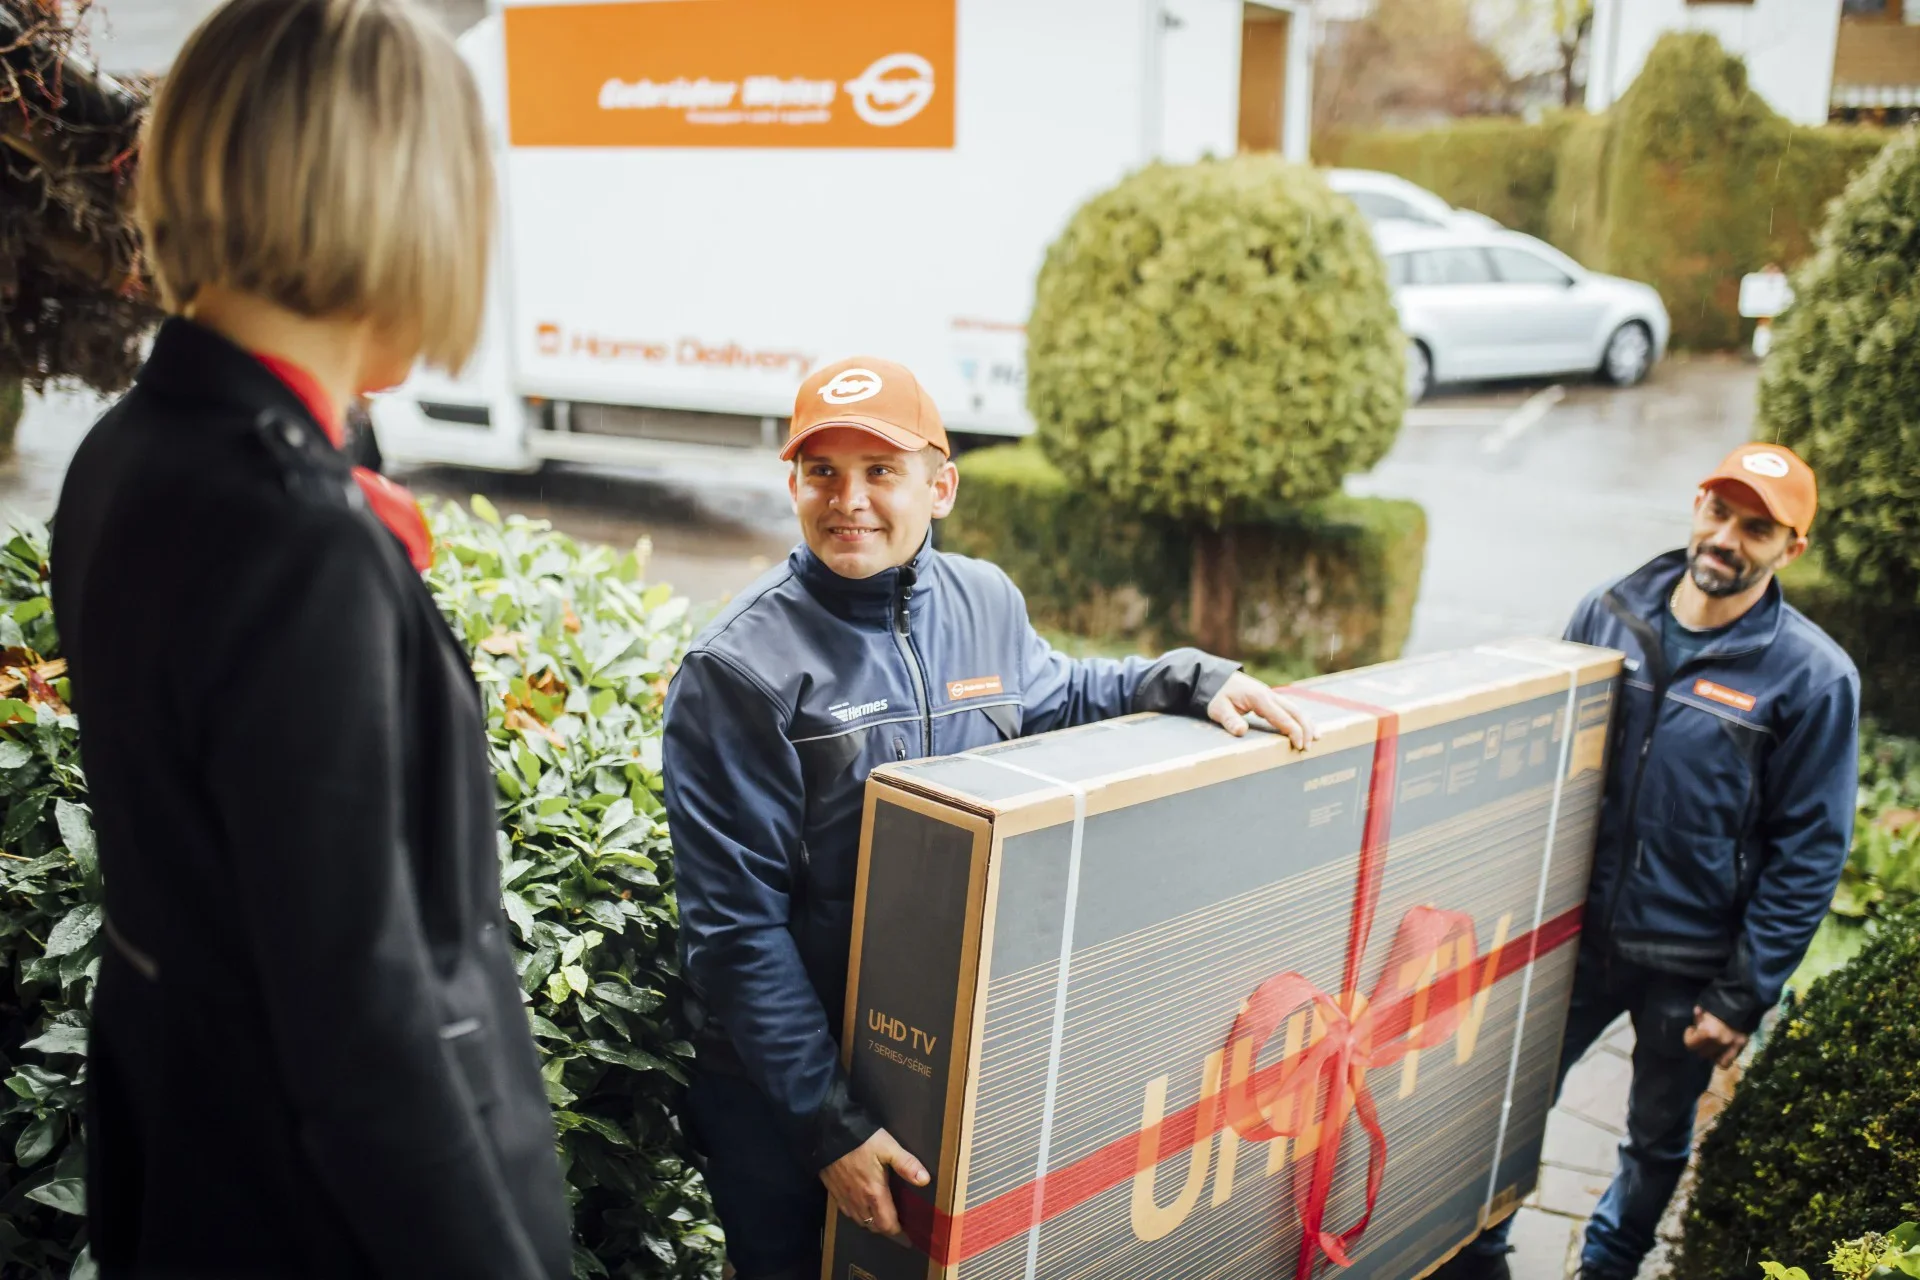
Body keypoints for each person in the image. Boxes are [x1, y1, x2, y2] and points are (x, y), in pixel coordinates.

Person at [49, 1, 569, 1275]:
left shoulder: (127, 452)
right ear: (399, 198)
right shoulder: (296, 534)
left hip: (194, 1172)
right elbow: (362, 1026)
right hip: (324, 1220)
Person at [661, 355, 1318, 1279]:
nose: (849, 500)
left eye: (881, 471)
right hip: (783, 1097)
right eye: (823, 473)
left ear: (942, 485)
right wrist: (829, 1131)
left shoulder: (983, 601)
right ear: (795, 483)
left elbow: (1058, 694)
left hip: (931, 1053)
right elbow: (734, 936)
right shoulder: (740, 671)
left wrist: (1191, 678)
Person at [1440, 443, 1859, 1280]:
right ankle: (1478, 1253)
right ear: (1698, 502)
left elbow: (1809, 850)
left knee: (1656, 1141)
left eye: (1757, 529)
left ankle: (1607, 1266)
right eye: (1719, 512)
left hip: (1693, 968)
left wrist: (1742, 995)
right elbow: (1543, 773)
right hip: (1575, 937)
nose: (1727, 538)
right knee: (1505, 1107)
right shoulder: (1609, 613)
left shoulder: (1812, 678)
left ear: (1791, 549)